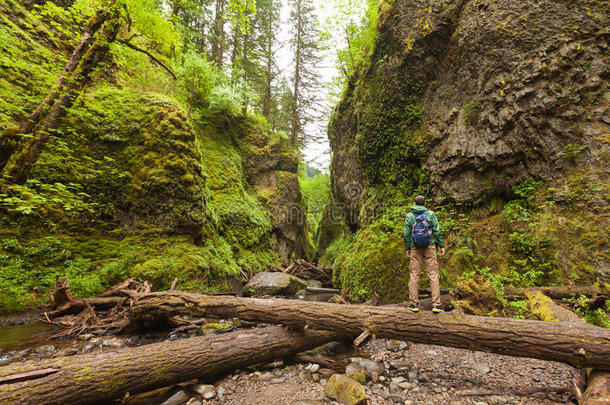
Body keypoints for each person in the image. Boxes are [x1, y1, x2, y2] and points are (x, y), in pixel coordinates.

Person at [403, 195, 445, 313]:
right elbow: (437, 230)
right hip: (430, 246)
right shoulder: (430, 214)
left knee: (414, 275)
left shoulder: (409, 216)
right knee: (433, 275)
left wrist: (408, 248)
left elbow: (406, 233)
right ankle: (436, 305)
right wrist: (441, 245)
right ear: (425, 203)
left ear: (414, 203)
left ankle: (413, 304)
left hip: (415, 248)